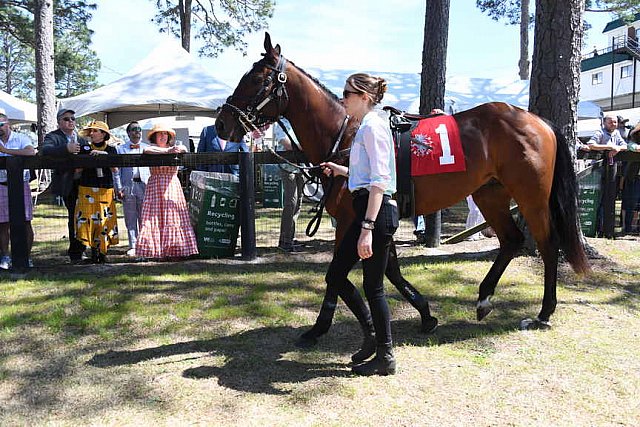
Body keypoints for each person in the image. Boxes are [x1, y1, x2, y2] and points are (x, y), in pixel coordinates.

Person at [320, 73, 399, 376]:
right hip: (367, 209)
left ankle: (385, 355)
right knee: (336, 275)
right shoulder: (367, 126)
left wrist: (366, 228)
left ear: (364, 97)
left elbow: (380, 181)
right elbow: (366, 173)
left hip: (374, 214)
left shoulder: (372, 126)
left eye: (347, 94)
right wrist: (341, 170)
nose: (342, 99)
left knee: (374, 287)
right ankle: (373, 337)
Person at [136, 123, 198, 260]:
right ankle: (154, 250)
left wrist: (175, 149)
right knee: (153, 217)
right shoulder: (150, 149)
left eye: (165, 134)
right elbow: (147, 151)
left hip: (171, 185)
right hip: (155, 185)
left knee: (172, 216)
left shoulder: (175, 148)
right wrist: (167, 152)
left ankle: (175, 249)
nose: (163, 136)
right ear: (154, 136)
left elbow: (183, 148)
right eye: (160, 134)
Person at [41, 108, 88, 264]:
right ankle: (75, 251)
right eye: (67, 119)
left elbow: (88, 152)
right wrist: (65, 149)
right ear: (59, 121)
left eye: (73, 119)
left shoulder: (80, 138)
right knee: (73, 216)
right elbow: (45, 150)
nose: (71, 121)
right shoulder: (53, 136)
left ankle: (84, 247)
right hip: (68, 184)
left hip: (83, 183)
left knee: (84, 216)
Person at [75, 121, 119, 263]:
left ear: (103, 134)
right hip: (87, 188)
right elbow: (77, 169)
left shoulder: (111, 149)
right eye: (91, 131)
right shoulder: (84, 148)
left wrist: (102, 155)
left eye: (95, 131)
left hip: (105, 189)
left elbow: (115, 169)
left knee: (104, 221)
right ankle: (93, 252)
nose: (92, 134)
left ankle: (103, 252)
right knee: (88, 220)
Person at [0, 113, 36, 269]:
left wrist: (6, 151)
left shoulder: (21, 138)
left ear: (8, 124)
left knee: (26, 222)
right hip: (1, 185)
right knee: (3, 224)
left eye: (1, 124)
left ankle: (26, 257)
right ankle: (5, 257)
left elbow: (30, 152)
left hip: (21, 184)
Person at [113, 121, 149, 257]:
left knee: (144, 216)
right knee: (130, 216)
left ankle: (144, 243)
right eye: (133, 129)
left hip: (144, 185)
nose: (137, 132)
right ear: (128, 133)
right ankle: (133, 245)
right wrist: (119, 188)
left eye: (139, 129)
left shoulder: (147, 148)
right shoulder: (120, 149)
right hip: (127, 185)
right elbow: (116, 171)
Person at [274, 120, 304, 252]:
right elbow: (287, 144)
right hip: (287, 166)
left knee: (298, 203)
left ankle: (290, 237)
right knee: (291, 202)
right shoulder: (280, 123)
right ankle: (285, 240)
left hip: (300, 167)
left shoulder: (297, 121)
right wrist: (305, 146)